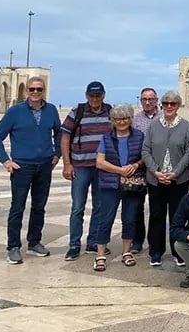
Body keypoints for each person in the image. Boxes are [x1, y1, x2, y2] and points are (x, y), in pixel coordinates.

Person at [0, 76, 61, 264]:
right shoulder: (15, 112)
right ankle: (13, 247)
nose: (35, 92)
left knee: (39, 206)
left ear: (43, 90)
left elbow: (59, 134)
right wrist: (6, 161)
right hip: (22, 167)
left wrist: (57, 154)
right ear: (26, 91)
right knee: (18, 207)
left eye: (39, 89)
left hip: (45, 166)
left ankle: (34, 242)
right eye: (32, 89)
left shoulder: (51, 110)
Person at [142, 90, 189, 267]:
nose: (169, 107)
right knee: (156, 216)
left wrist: (176, 173)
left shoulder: (186, 127)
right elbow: (146, 151)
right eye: (166, 104)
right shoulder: (153, 126)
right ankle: (155, 252)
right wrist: (156, 171)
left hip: (178, 180)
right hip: (156, 180)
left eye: (173, 104)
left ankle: (178, 251)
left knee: (177, 217)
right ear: (162, 106)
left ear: (178, 106)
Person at [60, 81, 112, 260]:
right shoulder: (78, 111)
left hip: (102, 168)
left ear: (103, 95)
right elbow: (65, 137)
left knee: (99, 206)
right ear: (86, 95)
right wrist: (67, 163)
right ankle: (74, 244)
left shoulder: (110, 112)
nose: (95, 99)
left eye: (98, 95)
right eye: (92, 96)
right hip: (81, 167)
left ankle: (93, 242)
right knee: (77, 207)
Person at [93, 104, 145, 272]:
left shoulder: (139, 136)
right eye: (117, 119)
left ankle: (126, 252)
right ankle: (100, 254)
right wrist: (120, 170)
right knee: (106, 218)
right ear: (112, 121)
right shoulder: (106, 137)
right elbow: (99, 162)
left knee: (129, 218)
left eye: (125, 118)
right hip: (110, 183)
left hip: (132, 184)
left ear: (130, 119)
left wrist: (135, 165)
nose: (121, 122)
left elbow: (145, 157)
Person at [130, 86, 159, 253]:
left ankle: (155, 244)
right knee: (137, 207)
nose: (147, 102)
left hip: (157, 169)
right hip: (140, 168)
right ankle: (137, 240)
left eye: (151, 99)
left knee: (156, 208)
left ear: (156, 100)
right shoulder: (135, 119)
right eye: (144, 99)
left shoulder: (163, 117)